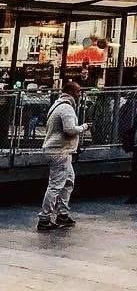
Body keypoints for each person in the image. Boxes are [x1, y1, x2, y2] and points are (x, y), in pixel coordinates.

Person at [37, 80, 92, 232]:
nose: (80, 94)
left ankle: (63, 214)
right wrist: (84, 127)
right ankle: (44, 218)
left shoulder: (57, 105)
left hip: (58, 151)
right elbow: (69, 129)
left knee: (68, 181)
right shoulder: (67, 108)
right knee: (55, 186)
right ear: (72, 92)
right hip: (60, 152)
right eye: (78, 92)